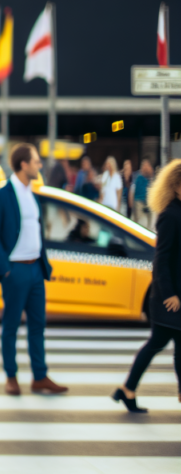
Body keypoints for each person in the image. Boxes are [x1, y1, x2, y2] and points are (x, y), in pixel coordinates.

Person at [0, 143, 68, 397]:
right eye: (36, 161)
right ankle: (12, 377)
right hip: (16, 271)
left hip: (35, 270)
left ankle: (40, 377)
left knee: (38, 325)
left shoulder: (33, 193)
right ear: (23, 164)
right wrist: (5, 268)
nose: (39, 165)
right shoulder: (1, 195)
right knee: (11, 326)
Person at [114, 159, 181, 412]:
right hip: (169, 298)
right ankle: (127, 389)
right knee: (160, 344)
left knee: (162, 345)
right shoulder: (169, 215)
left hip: (175, 295)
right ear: (175, 186)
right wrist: (170, 294)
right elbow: (161, 259)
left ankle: (127, 390)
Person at [132, 159, 155, 229]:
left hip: (149, 202)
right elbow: (134, 191)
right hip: (139, 202)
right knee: (141, 222)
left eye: (147, 165)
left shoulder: (150, 176)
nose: (145, 167)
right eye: (144, 165)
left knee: (150, 223)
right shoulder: (138, 177)